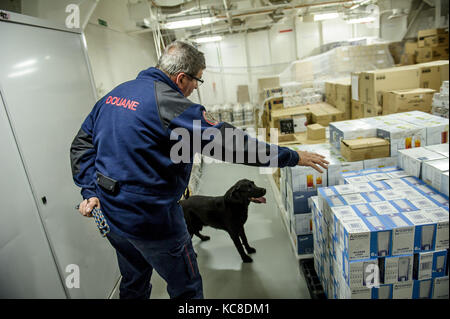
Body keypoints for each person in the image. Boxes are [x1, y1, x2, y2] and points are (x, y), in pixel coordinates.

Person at [70, 40, 329, 300]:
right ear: (181, 78)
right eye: (197, 80)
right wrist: (291, 156)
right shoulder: (170, 104)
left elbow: (81, 144)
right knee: (187, 289)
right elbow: (231, 144)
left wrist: (90, 190)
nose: (196, 87)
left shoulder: (114, 95)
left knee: (134, 281)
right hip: (153, 220)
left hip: (112, 216)